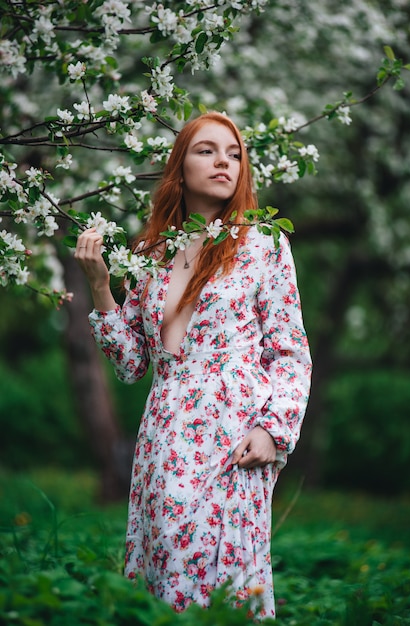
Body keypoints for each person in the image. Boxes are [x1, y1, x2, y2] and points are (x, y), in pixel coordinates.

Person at [75, 111, 312, 618]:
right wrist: (100, 287)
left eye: (233, 153)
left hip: (235, 432)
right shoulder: (150, 254)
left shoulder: (263, 245)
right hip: (165, 433)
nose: (223, 161)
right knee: (166, 569)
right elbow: (133, 364)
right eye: (207, 150)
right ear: (179, 168)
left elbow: (290, 353)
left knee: (227, 577)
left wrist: (274, 430)